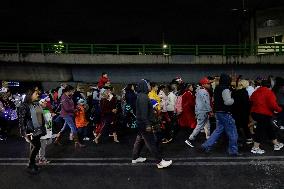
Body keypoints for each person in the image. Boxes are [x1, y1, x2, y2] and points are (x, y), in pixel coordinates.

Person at [132, 79, 172, 169]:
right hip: (144, 124)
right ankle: (160, 162)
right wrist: (147, 125)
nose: (150, 86)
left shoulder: (142, 96)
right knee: (151, 143)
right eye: (148, 85)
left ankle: (135, 158)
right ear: (144, 86)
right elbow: (143, 113)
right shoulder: (143, 97)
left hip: (141, 123)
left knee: (140, 140)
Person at [200, 73, 239, 156]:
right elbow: (228, 102)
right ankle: (233, 151)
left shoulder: (217, 88)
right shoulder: (225, 89)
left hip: (218, 112)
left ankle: (206, 145)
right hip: (225, 113)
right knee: (232, 131)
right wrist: (233, 99)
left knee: (218, 131)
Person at [250, 79, 283, 154]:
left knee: (269, 128)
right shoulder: (269, 92)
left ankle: (276, 144)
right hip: (264, 114)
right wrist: (279, 109)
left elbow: (251, 99)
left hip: (255, 113)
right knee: (260, 130)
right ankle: (255, 148)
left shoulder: (256, 92)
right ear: (269, 86)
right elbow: (273, 104)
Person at [18, 87, 46, 174]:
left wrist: (43, 127)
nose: (38, 95)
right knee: (36, 146)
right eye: (36, 93)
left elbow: (41, 116)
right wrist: (23, 132)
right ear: (30, 95)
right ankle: (31, 164)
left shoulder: (36, 103)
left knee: (35, 146)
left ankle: (32, 164)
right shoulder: (24, 105)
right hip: (30, 130)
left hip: (38, 129)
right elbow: (21, 120)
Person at [185, 77, 213, 147]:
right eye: (208, 83)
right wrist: (210, 111)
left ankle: (208, 138)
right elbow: (206, 102)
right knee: (199, 126)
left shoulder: (199, 90)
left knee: (207, 125)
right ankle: (190, 139)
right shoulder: (203, 91)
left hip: (202, 111)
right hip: (203, 111)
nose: (209, 85)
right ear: (203, 84)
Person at [38, 96, 54, 165]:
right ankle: (41, 159)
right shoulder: (39, 111)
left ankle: (37, 155)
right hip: (42, 132)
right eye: (44, 102)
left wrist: (51, 115)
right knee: (42, 146)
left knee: (49, 141)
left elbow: (48, 120)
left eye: (45, 102)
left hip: (48, 130)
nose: (46, 103)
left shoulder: (46, 110)